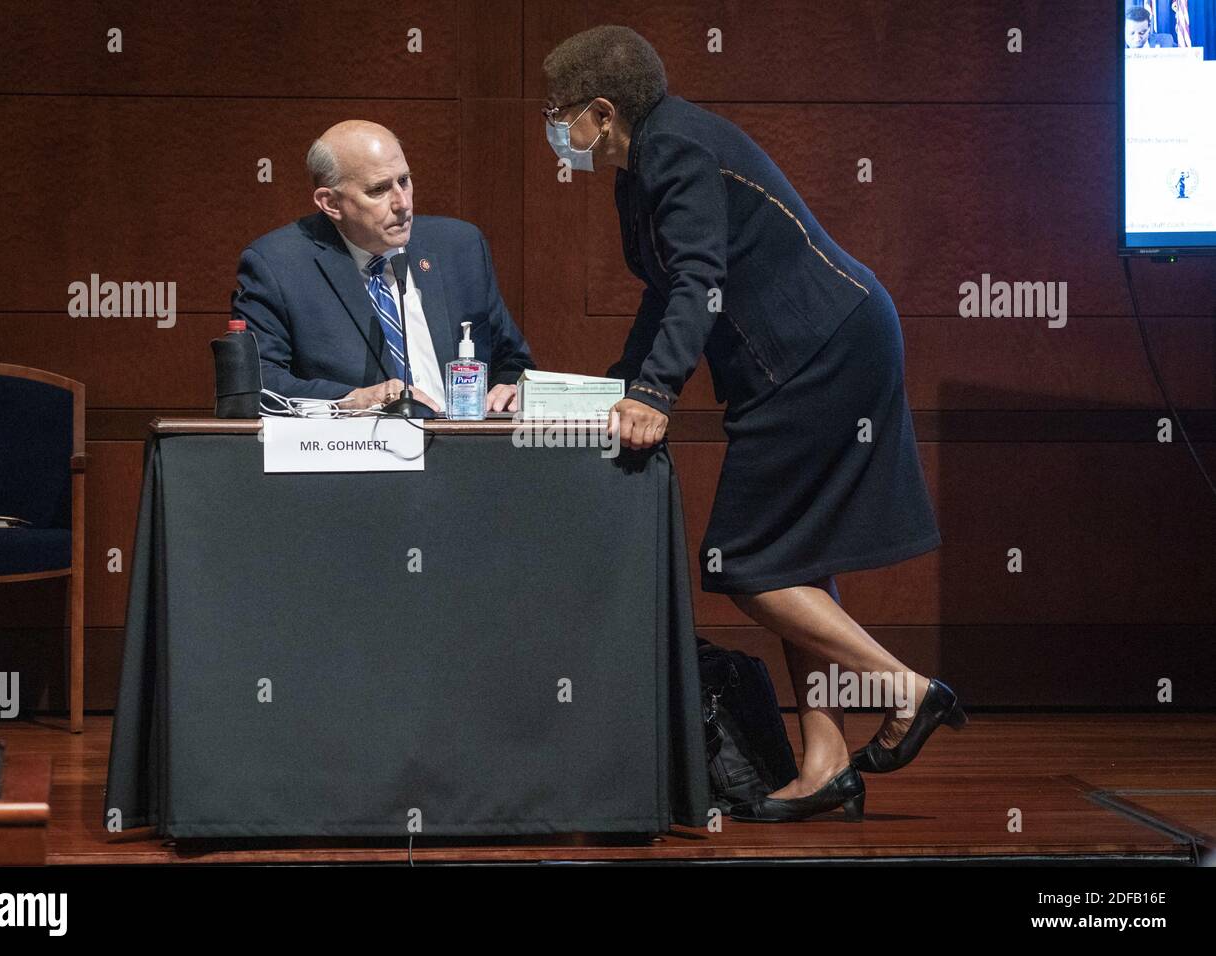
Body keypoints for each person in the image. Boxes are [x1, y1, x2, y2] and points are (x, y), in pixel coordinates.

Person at [542, 26, 966, 822]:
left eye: (559, 111)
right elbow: (663, 291)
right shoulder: (639, 170)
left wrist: (657, 396)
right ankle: (826, 764)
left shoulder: (673, 149)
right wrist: (618, 388)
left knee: (744, 562)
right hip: (821, 347)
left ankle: (906, 691)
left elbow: (701, 279)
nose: (555, 128)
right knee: (793, 557)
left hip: (823, 352)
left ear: (601, 112)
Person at [233, 120, 533, 414]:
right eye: (379, 190)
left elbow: (512, 361)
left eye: (404, 181)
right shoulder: (277, 265)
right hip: (355, 453)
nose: (402, 203)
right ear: (331, 203)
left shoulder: (460, 246)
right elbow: (258, 383)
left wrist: (510, 386)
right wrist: (355, 400)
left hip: (463, 449)